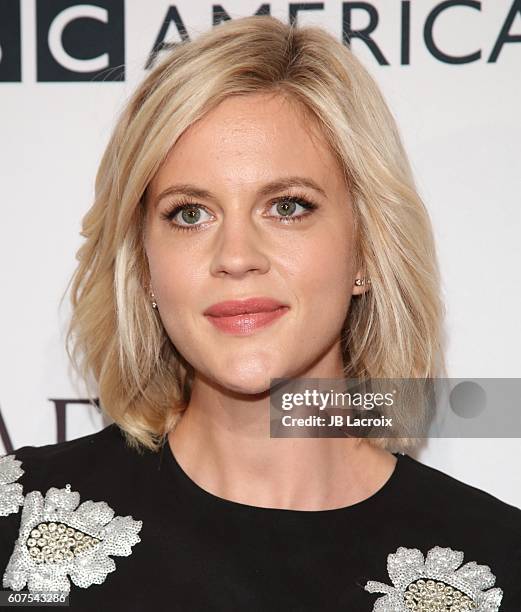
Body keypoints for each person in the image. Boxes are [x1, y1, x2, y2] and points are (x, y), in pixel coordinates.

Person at [1, 14, 519, 612]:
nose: (237, 257)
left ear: (367, 250)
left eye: (288, 206)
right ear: (144, 264)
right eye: (190, 213)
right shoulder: (19, 523)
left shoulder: (499, 564)